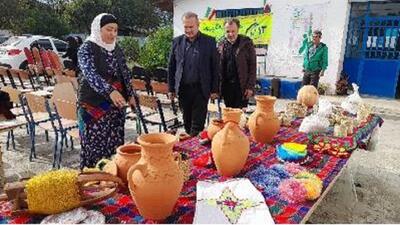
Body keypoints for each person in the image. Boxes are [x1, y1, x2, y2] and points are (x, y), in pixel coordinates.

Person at [77, 13, 135, 169]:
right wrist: (110, 90)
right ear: (98, 29)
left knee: (114, 148)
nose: (113, 34)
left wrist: (130, 94)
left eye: (116, 30)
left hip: (115, 107)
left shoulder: (117, 49)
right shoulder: (86, 48)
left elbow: (125, 73)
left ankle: (113, 182)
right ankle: (93, 185)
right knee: (94, 150)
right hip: (93, 107)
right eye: (109, 29)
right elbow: (90, 74)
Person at [168, 11, 219, 137]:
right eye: (186, 27)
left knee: (197, 126)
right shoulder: (177, 42)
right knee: (187, 123)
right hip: (183, 90)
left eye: (191, 27)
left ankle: (194, 147)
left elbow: (215, 68)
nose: (188, 30)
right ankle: (191, 148)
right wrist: (171, 89)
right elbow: (171, 67)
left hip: (201, 90)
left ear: (198, 25)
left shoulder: (209, 42)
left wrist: (214, 89)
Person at [218, 18, 256, 109]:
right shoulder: (221, 44)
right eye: (228, 31)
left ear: (238, 29)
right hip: (227, 88)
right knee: (229, 115)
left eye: (233, 31)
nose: (230, 34)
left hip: (242, 87)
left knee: (241, 116)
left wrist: (250, 87)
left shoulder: (246, 43)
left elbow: (253, 66)